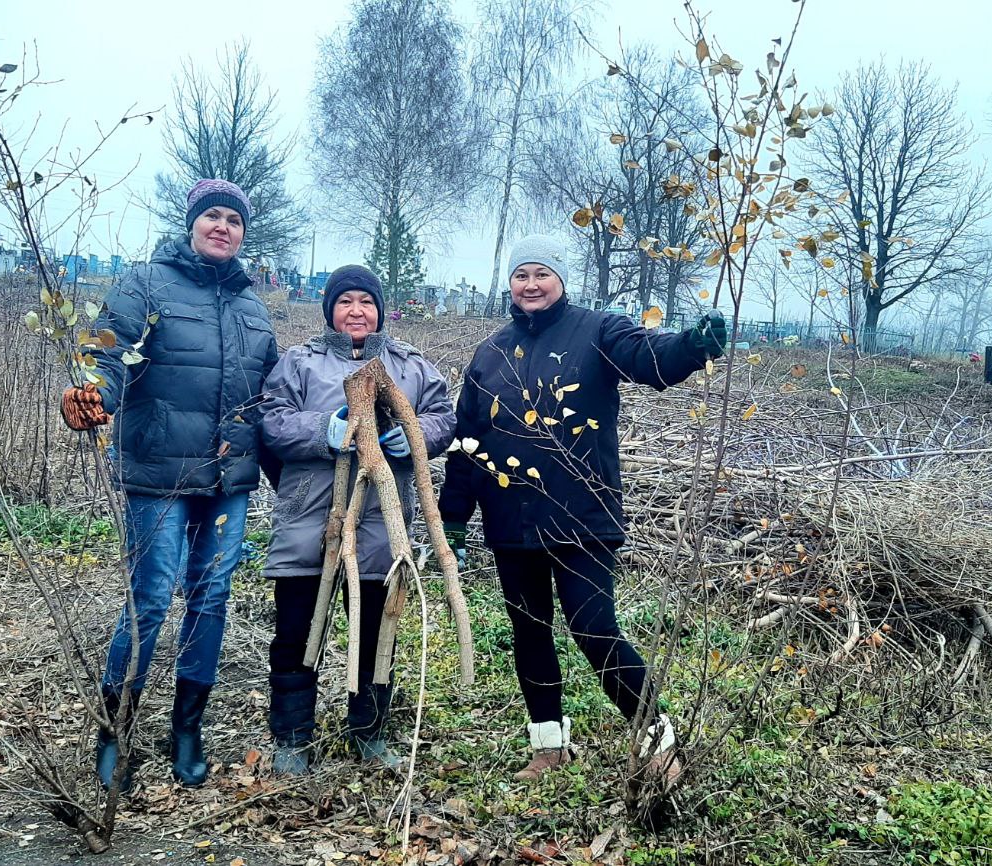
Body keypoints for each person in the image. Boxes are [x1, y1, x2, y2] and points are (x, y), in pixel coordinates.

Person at [438, 235, 726, 786]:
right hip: (511, 521)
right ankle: (548, 745)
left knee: (594, 628)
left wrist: (690, 347)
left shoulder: (598, 331)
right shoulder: (491, 353)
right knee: (529, 631)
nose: (531, 284)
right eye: (522, 275)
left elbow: (649, 360)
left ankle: (658, 742)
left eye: (542, 274)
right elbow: (467, 441)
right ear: (510, 284)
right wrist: (455, 516)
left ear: (561, 280)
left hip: (581, 518)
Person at [60, 179, 278, 791]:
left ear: (242, 233)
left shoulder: (251, 308)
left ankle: (187, 727)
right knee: (151, 600)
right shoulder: (147, 284)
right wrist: (91, 395)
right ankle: (115, 731)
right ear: (191, 224)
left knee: (210, 601)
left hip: (228, 481)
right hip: (158, 472)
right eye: (212, 216)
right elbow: (107, 353)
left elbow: (269, 397)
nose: (222, 227)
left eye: (233, 221)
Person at [259, 265, 456, 775]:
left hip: (379, 525)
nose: (356, 311)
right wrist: (324, 429)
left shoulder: (408, 365)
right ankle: (292, 737)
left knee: (375, 629)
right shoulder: (299, 362)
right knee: (298, 630)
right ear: (329, 310)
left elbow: (444, 415)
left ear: (380, 310)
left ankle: (368, 732)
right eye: (345, 301)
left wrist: (415, 436)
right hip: (309, 519)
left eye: (365, 302)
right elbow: (272, 421)